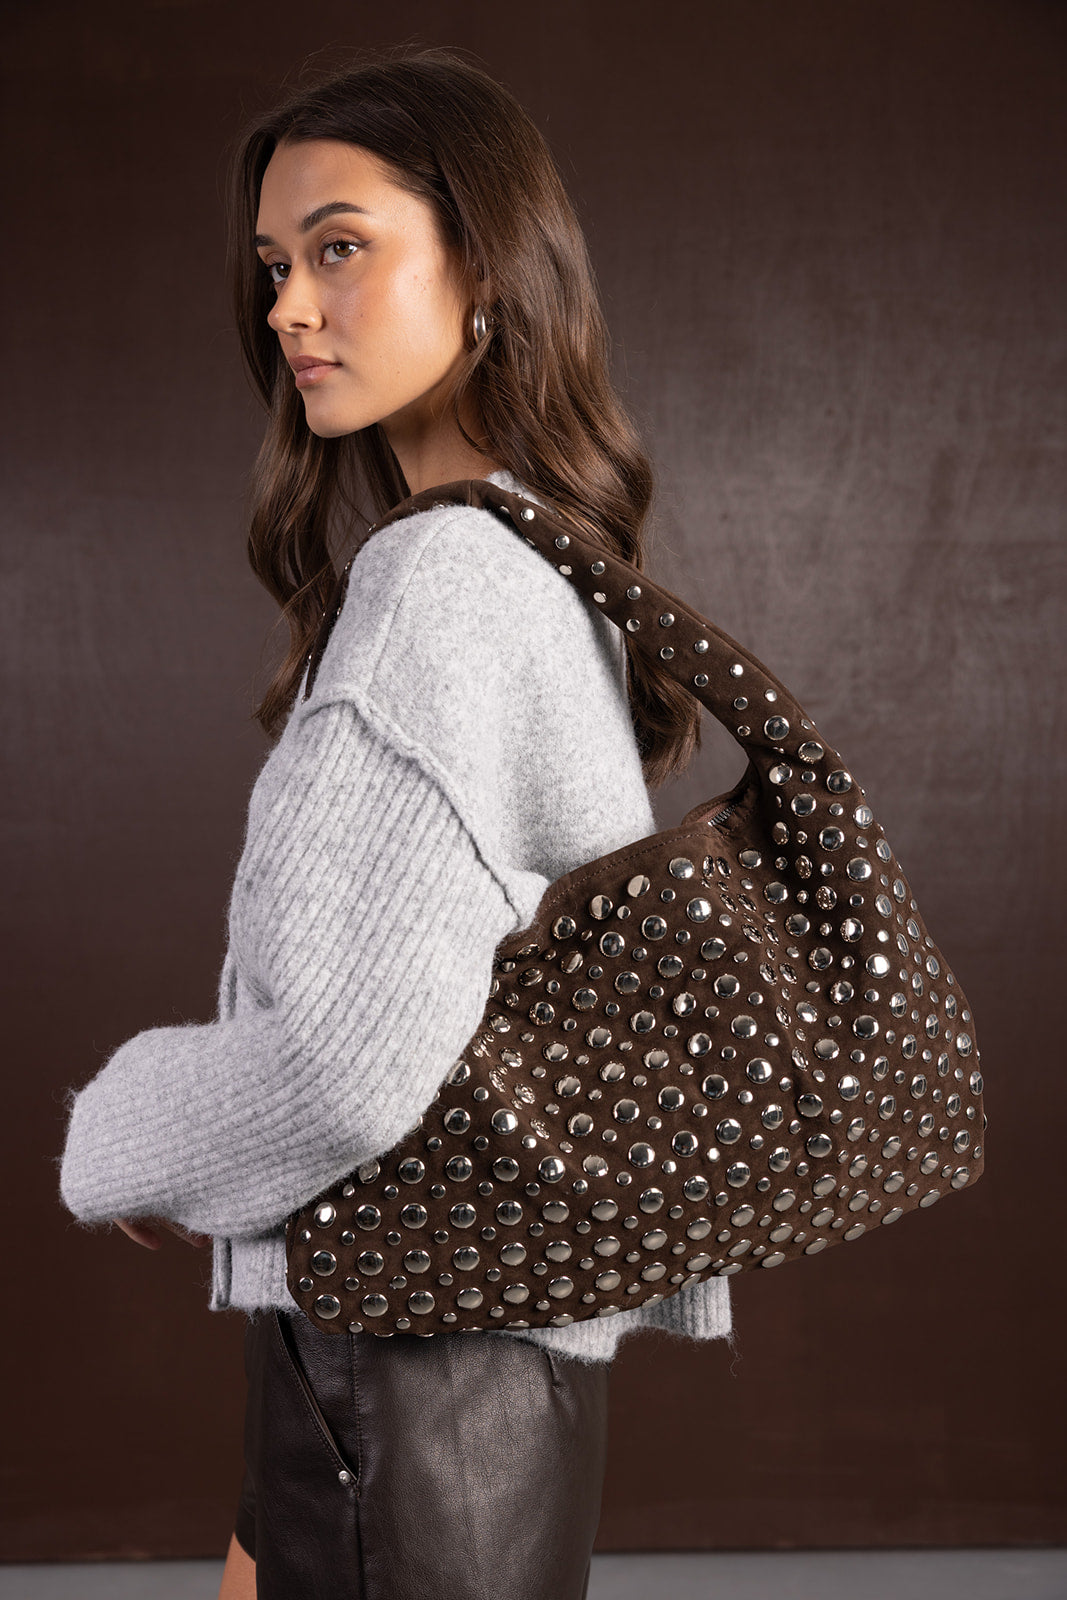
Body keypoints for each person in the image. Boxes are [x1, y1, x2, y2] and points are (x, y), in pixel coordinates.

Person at [57, 46, 734, 1600]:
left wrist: (125, 1135)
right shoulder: (547, 561)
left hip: (400, 1382)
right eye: (275, 266)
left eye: (341, 248)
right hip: (476, 1367)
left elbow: (340, 1066)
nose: (289, 307)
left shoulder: (439, 585)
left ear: (486, 270)